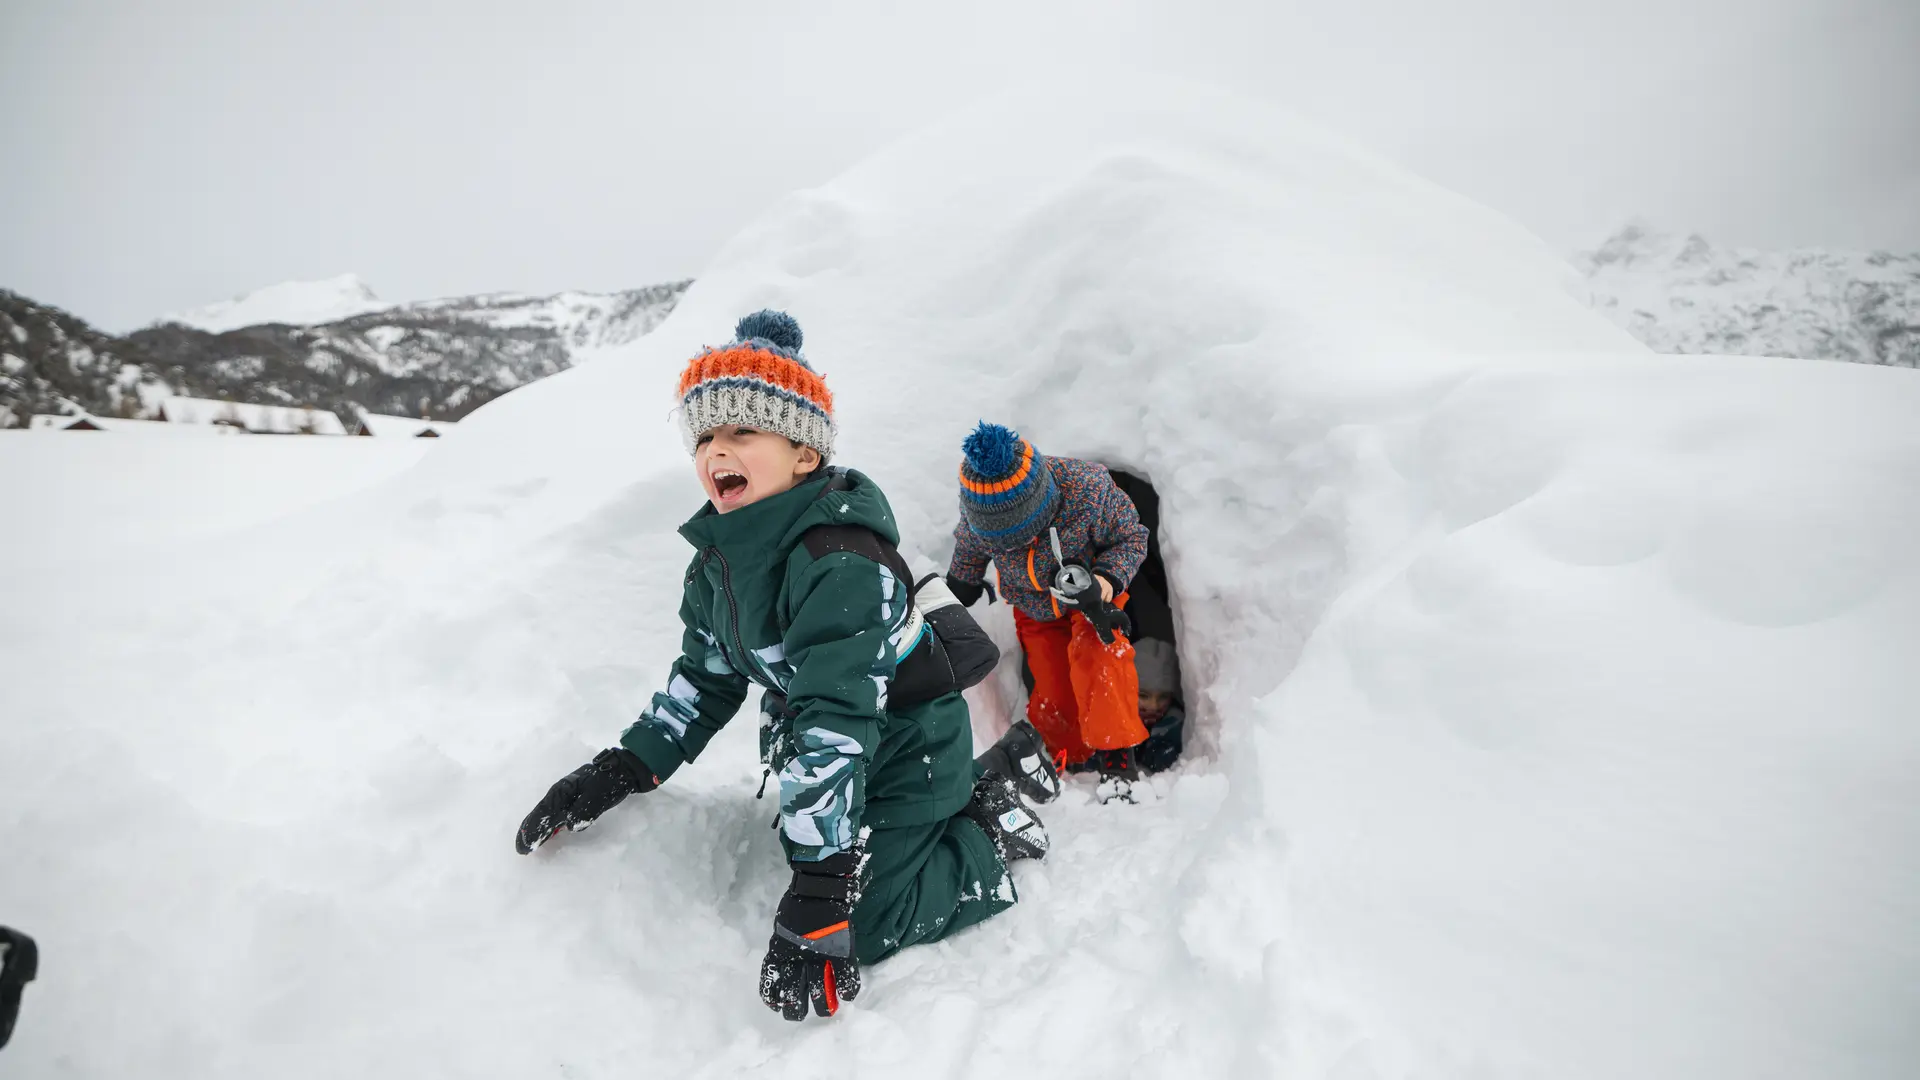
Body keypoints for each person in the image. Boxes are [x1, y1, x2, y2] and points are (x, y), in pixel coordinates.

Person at [514, 311, 1048, 1022]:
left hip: (907, 750)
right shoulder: (721, 563)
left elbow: (836, 719)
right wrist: (621, 768)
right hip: (839, 746)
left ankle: (986, 832)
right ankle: (929, 820)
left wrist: (827, 888)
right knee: (827, 871)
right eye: (704, 435)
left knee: (870, 923)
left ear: (804, 455)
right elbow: (704, 680)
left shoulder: (840, 563)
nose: (716, 450)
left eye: (741, 432)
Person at [946, 423, 1151, 801]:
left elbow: (1132, 537)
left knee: (1099, 657)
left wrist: (1104, 583)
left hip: (1092, 598)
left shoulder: (1088, 490)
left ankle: (1117, 755)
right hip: (1033, 605)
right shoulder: (980, 502)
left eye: (1019, 536)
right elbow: (970, 544)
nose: (1012, 546)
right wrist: (960, 583)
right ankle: (1072, 754)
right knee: (1054, 685)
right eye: (1000, 542)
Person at [1132, 637, 1186, 773]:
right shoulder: (1110, 725)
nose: (1153, 706)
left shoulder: (1175, 725)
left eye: (1163, 697)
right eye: (1143, 695)